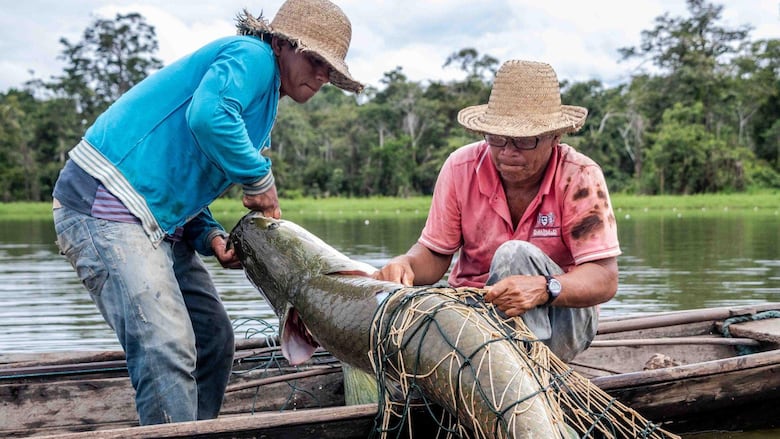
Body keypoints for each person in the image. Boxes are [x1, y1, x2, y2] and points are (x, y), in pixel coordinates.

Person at [51, 0, 363, 425]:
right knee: (167, 345)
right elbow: (208, 117)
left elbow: (188, 179)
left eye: (330, 69)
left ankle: (195, 429)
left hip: (157, 224)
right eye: (314, 60)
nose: (322, 76)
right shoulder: (251, 56)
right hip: (105, 205)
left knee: (213, 339)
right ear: (280, 44)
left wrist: (211, 237)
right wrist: (261, 181)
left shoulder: (262, 102)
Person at [373, 60, 620, 362]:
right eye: (497, 138)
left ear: (555, 137)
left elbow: (604, 278)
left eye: (525, 140)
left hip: (562, 320)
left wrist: (545, 288)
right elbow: (436, 255)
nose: (508, 151)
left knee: (514, 254)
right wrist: (407, 264)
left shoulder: (579, 175)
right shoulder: (460, 168)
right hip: (476, 318)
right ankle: (493, 362)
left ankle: (524, 369)